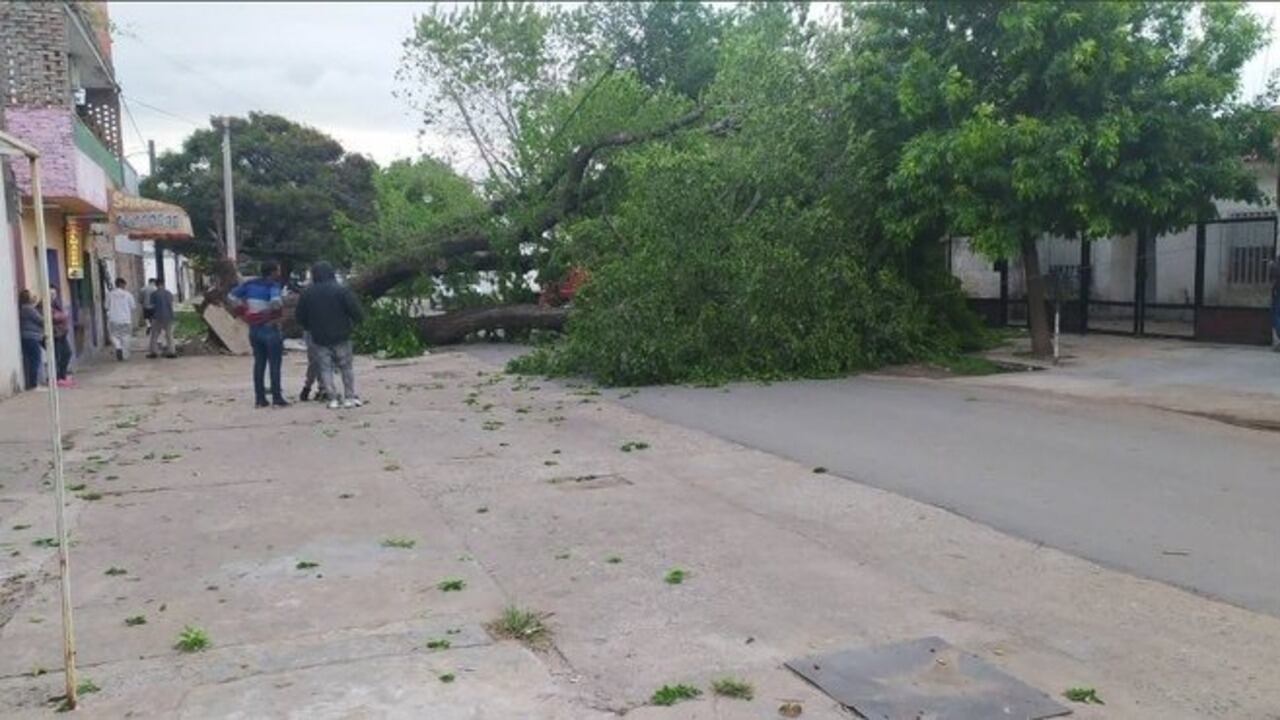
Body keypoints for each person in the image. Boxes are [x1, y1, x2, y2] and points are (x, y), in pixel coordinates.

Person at [295, 261, 364, 409]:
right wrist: (356, 324)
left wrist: (310, 327)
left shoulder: (307, 293)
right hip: (342, 335)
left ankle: (332, 398)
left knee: (325, 368)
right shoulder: (342, 290)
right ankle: (349, 397)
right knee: (346, 367)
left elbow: (299, 316)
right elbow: (356, 311)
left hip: (319, 337)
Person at [228, 260, 289, 408]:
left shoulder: (249, 285)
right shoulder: (273, 286)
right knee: (274, 364)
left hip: (254, 329)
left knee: (259, 364)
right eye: (278, 270)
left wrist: (245, 312)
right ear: (273, 272)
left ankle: (260, 398)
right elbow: (276, 302)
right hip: (270, 329)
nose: (279, 273)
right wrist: (270, 312)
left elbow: (231, 297)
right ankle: (276, 397)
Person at [49, 284, 74, 386]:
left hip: (62, 333)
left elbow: (60, 315)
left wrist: (62, 316)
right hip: (55, 335)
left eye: (54, 293)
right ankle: (58, 377)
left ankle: (62, 376)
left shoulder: (56, 304)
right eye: (51, 293)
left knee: (67, 353)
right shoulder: (45, 304)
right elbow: (53, 317)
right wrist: (63, 316)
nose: (53, 295)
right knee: (57, 356)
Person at [107, 277, 136, 361]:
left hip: (113, 319)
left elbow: (106, 306)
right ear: (122, 284)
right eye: (124, 285)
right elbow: (133, 307)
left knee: (114, 335)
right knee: (126, 337)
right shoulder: (128, 294)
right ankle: (124, 355)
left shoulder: (110, 294)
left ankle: (118, 346)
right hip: (126, 320)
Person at [18, 289, 43, 390]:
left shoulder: (26, 309)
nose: (33, 297)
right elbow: (40, 320)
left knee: (32, 360)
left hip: (29, 337)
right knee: (35, 360)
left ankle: (33, 383)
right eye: (31, 295)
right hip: (31, 337)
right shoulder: (28, 309)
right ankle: (33, 384)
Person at [147, 281, 177, 359]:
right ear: (163, 285)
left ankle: (154, 352)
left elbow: (152, 306)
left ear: (156, 285)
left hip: (157, 317)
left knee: (154, 335)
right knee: (169, 335)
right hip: (168, 317)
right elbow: (171, 305)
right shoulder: (169, 293)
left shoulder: (154, 294)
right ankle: (172, 352)